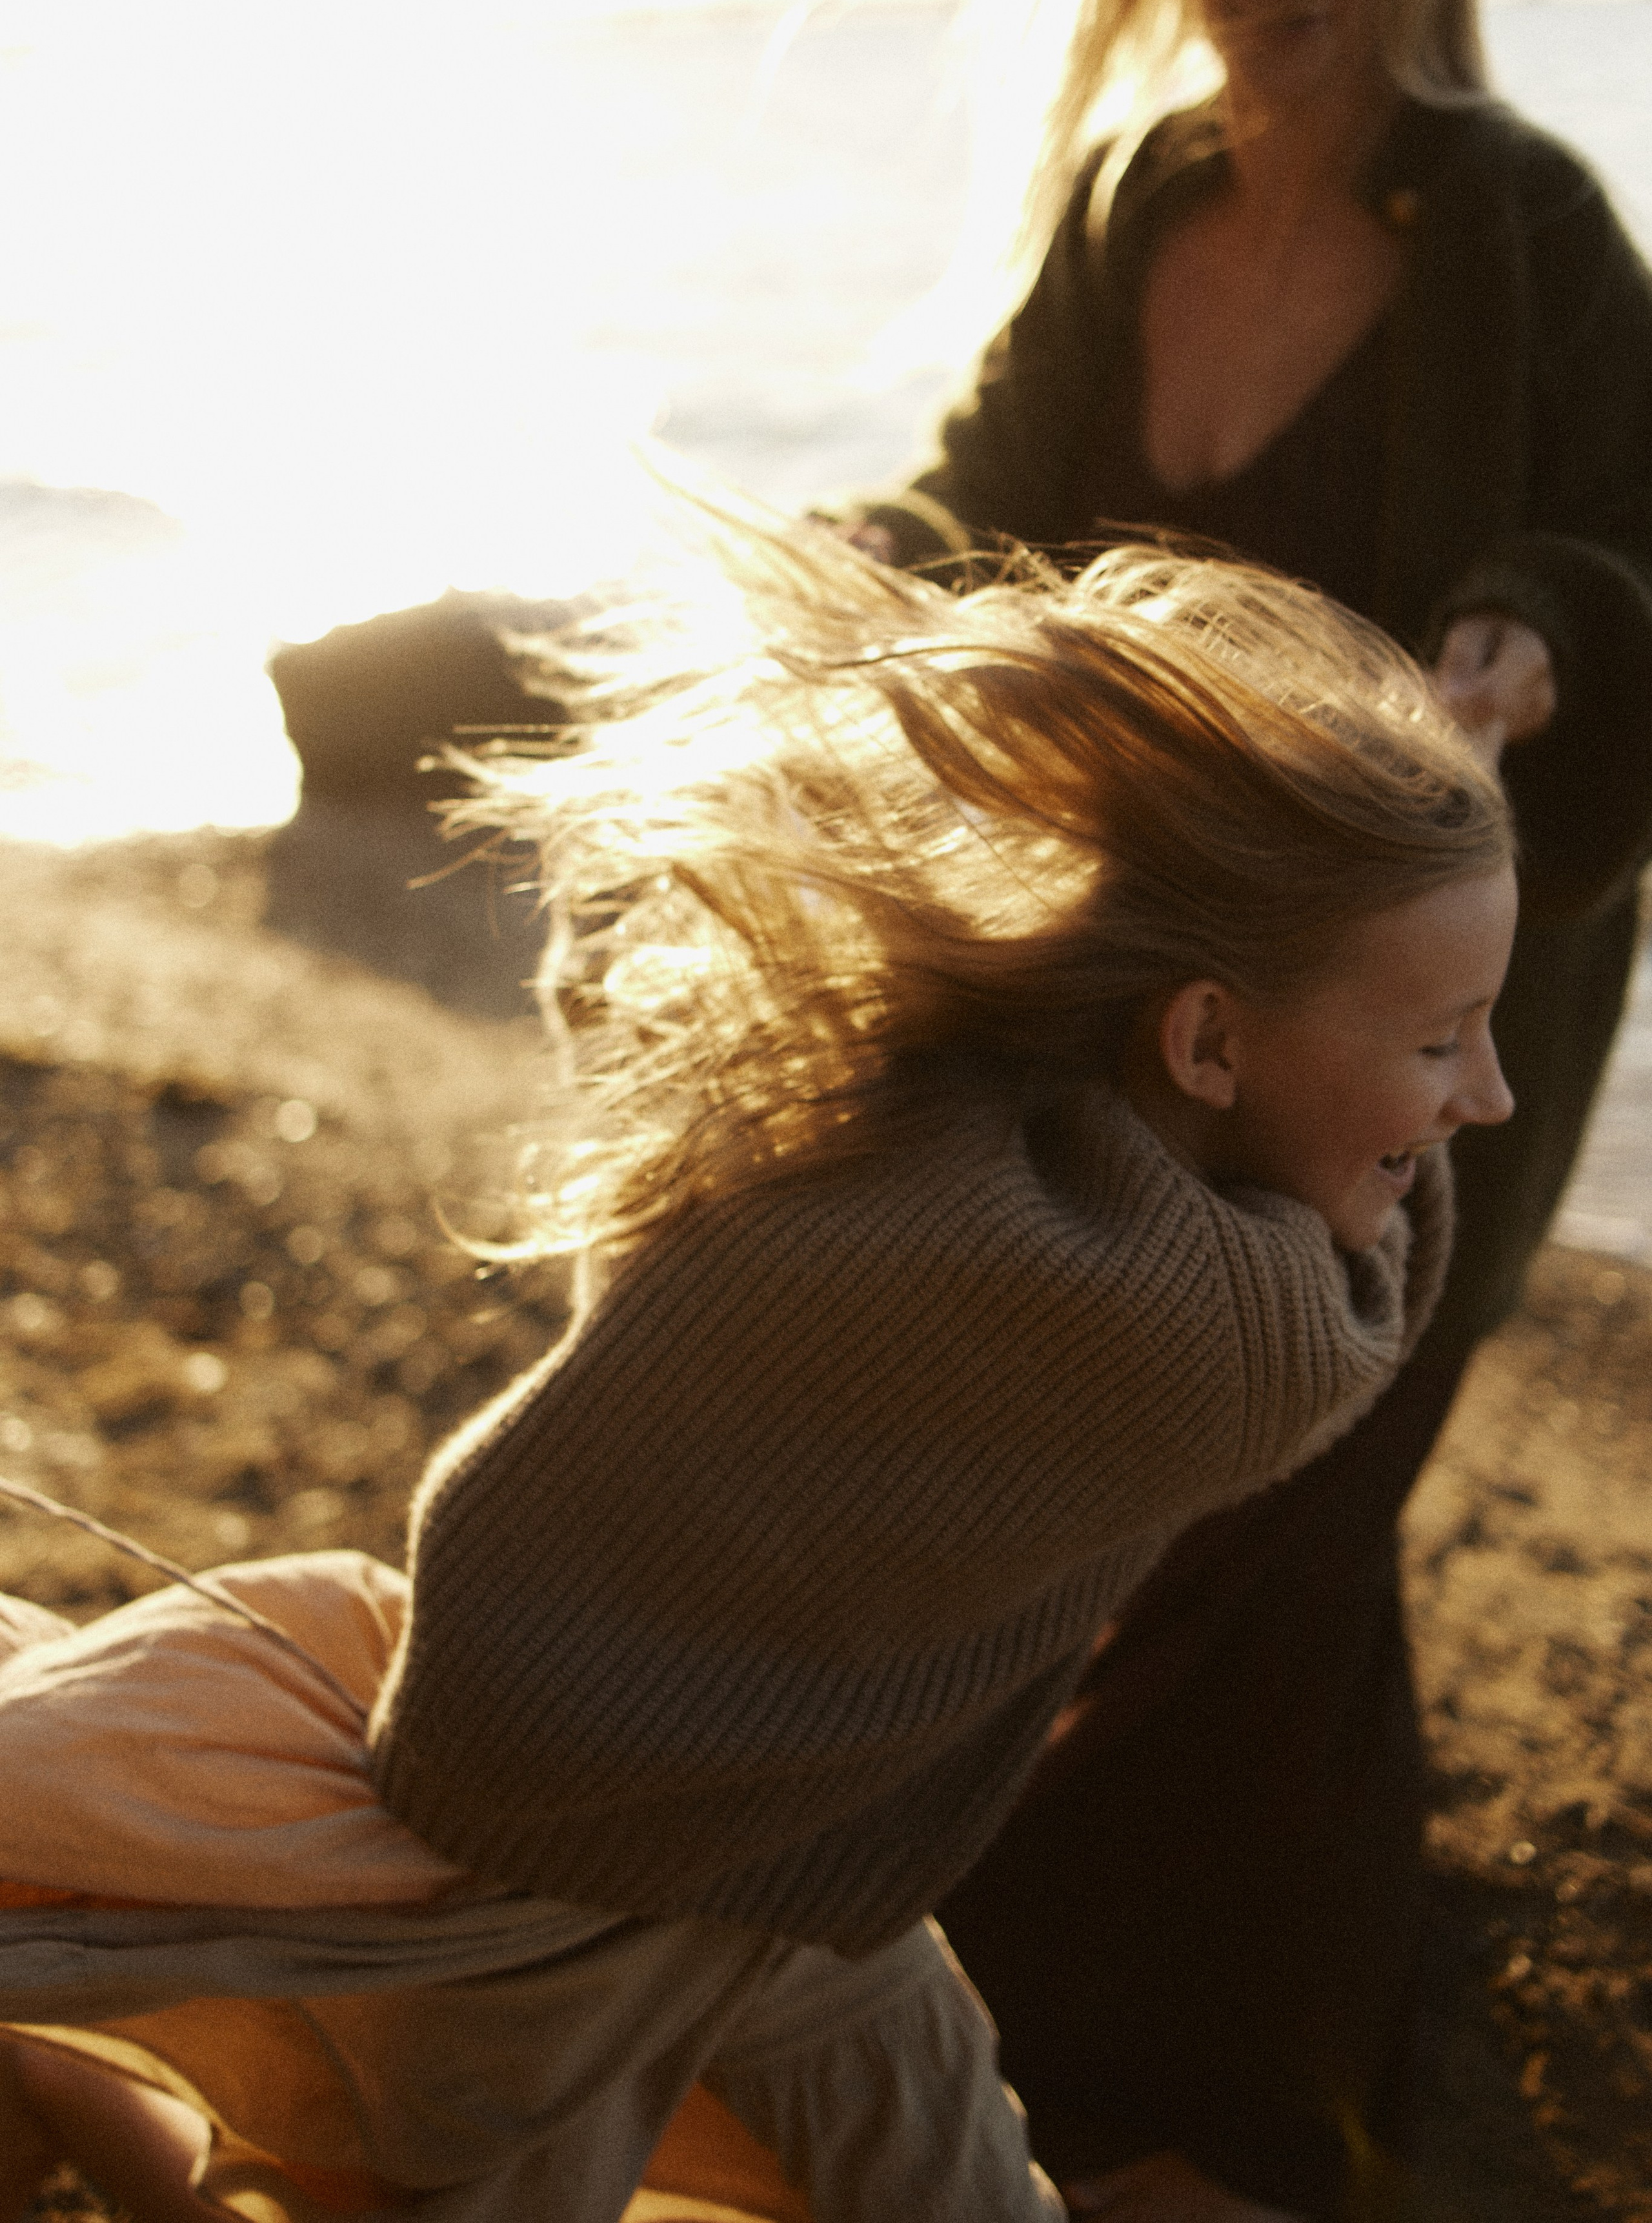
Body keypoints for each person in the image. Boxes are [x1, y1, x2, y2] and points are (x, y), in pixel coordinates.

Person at [0, 505, 1517, 2223]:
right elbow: (1364, 1305)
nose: (1489, 1100)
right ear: (1206, 1037)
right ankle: (64, 2082)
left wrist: (1366, 935)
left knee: (951, 2179)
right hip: (561, 1866)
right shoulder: (1189, 1331)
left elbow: (622, 998)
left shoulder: (933, 1109)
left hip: (767, 1850)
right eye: (1443, 1041)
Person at [834, 0, 1652, 2213]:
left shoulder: (1526, 223)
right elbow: (979, 499)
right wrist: (852, 583)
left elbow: (1640, 547)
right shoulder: (1133, 197)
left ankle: (1241, 2100)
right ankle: (1016, 2011)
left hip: (1427, 1029)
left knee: (1297, 1457)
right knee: (1126, 1466)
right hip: (1162, 1002)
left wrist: (1534, 622)